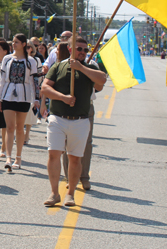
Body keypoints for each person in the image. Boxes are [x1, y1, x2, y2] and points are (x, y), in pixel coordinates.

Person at [41, 37, 107, 207]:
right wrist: (63, 98)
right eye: (79, 49)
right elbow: (45, 88)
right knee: (53, 154)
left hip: (80, 120)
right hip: (58, 118)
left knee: (75, 158)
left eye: (85, 50)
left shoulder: (89, 67)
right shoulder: (58, 66)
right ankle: (55, 193)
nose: (82, 52)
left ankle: (70, 194)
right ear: (70, 49)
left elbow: (101, 80)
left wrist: (81, 68)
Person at [0, 34, 40, 172]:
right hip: (8, 95)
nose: (13, 44)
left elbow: (34, 81)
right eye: (13, 42)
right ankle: (8, 157)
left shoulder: (30, 61)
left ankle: (18, 157)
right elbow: (2, 80)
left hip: (24, 96)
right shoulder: (7, 59)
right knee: (9, 127)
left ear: (24, 44)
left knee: (20, 128)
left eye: (17, 42)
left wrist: (36, 99)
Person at [23, 41, 42, 144]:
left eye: (29, 47)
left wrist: (39, 90)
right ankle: (20, 133)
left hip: (32, 89)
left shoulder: (36, 60)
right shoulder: (17, 59)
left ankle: (27, 135)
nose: (27, 49)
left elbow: (39, 76)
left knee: (30, 113)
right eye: (25, 47)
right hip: (21, 89)